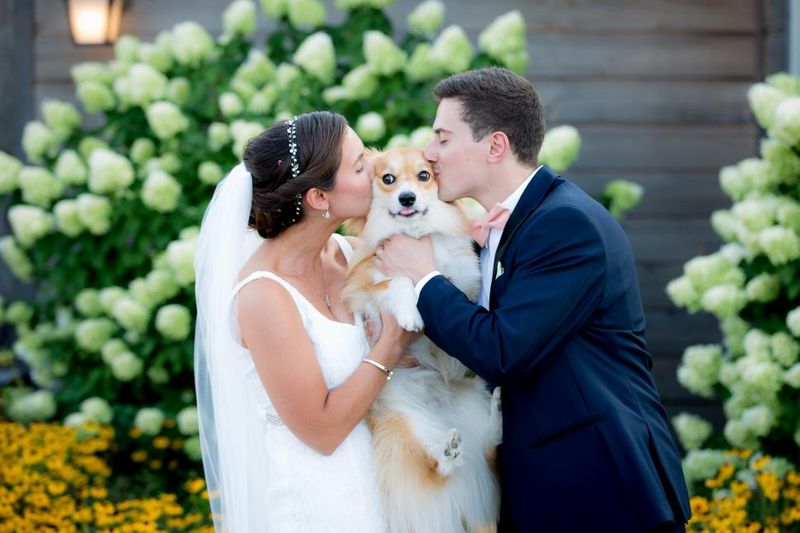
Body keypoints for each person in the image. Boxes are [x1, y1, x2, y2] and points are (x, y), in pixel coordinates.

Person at [376, 67, 692, 532]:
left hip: (603, 494)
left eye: (443, 138)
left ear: (495, 146)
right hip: (550, 492)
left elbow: (502, 351)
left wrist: (422, 276)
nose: (428, 153)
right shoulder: (504, 229)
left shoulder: (565, 225)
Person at [194, 111, 417, 532]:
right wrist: (391, 345)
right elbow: (321, 430)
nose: (375, 164)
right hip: (322, 501)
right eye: (358, 164)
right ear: (319, 198)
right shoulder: (263, 295)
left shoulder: (352, 255)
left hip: (389, 483)